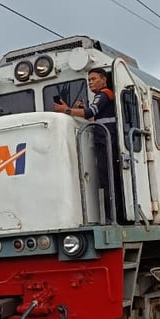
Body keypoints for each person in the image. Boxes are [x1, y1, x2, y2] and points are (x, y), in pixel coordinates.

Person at [53, 68, 120, 223]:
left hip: (107, 140)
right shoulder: (101, 96)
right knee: (105, 178)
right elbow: (92, 117)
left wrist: (67, 110)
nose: (90, 82)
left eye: (93, 79)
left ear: (104, 79)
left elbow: (91, 112)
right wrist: (76, 110)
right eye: (89, 80)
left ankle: (112, 216)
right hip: (103, 140)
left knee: (108, 179)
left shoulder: (104, 94)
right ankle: (111, 215)